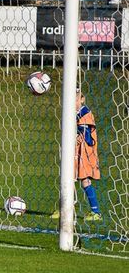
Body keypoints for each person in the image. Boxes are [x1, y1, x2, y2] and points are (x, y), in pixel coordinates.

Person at [51, 89, 102, 221]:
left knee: (84, 180)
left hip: (84, 152)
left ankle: (96, 212)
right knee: (68, 178)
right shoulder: (72, 112)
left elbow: (84, 136)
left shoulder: (85, 113)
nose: (73, 102)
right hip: (75, 150)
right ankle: (64, 209)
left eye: (76, 99)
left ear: (82, 99)